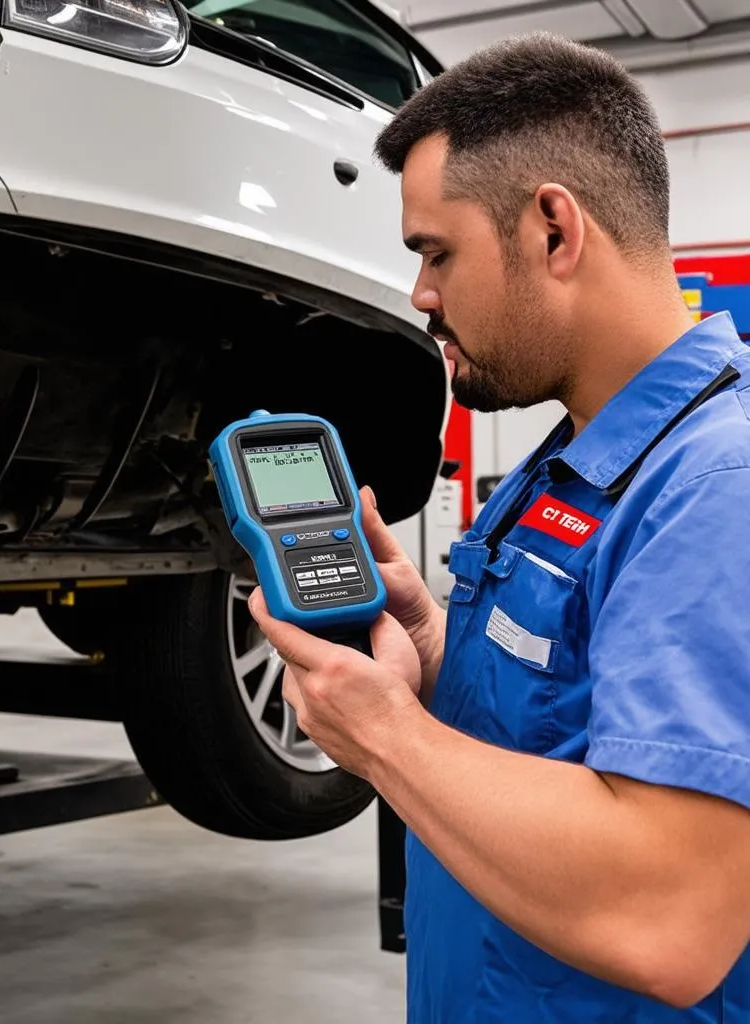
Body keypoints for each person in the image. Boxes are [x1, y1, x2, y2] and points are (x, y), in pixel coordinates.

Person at [247, 31, 750, 1023]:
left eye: (437, 252)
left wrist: (384, 736)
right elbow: (557, 723)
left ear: (554, 231)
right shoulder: (570, 457)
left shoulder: (712, 488)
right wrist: (431, 653)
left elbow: (671, 916)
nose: (420, 295)